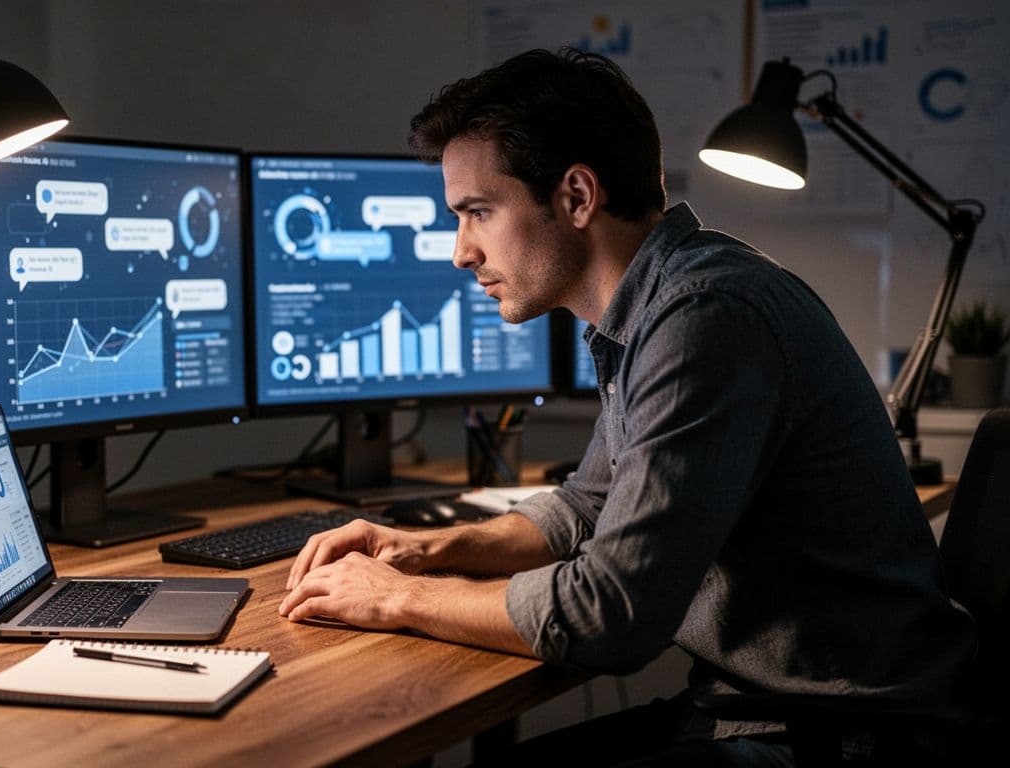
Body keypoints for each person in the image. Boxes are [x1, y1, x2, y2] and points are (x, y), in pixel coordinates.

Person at [279, 48, 976, 764]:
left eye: (477, 213)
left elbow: (609, 613)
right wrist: (425, 549)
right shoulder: (657, 308)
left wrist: (397, 599)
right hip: (767, 709)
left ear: (577, 197)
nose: (461, 252)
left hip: (846, 735)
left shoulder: (705, 316)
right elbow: (587, 505)